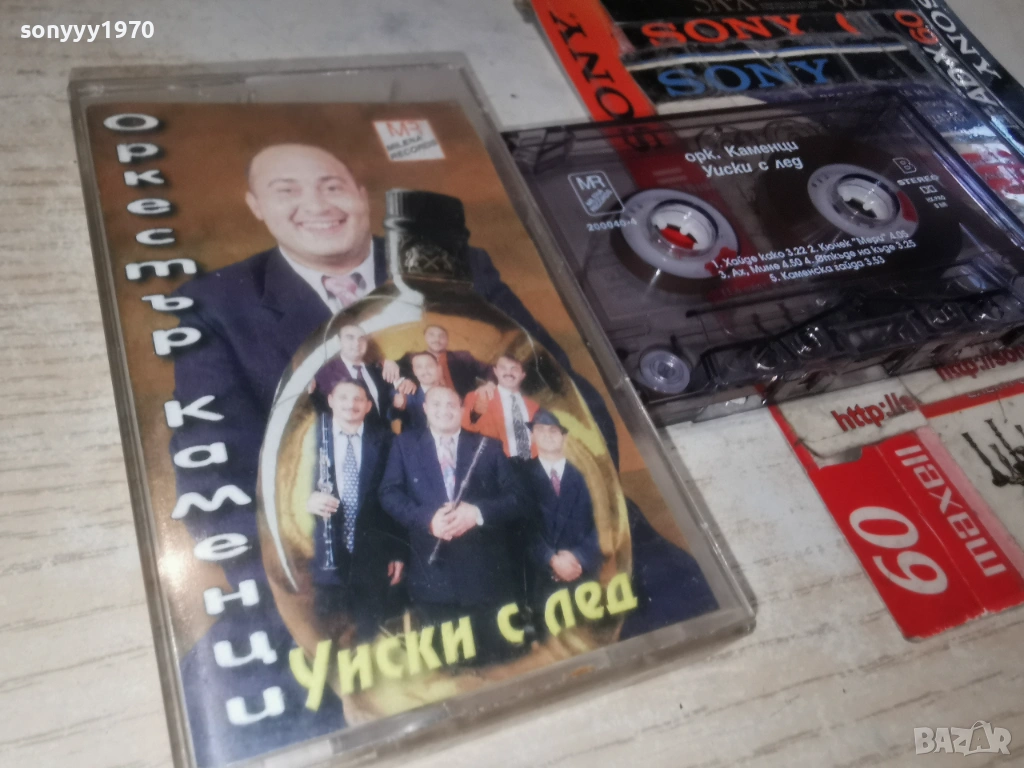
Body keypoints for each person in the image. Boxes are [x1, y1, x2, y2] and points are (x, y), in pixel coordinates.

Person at [379, 387, 526, 662]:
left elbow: (518, 497)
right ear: (424, 408)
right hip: (433, 580)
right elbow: (389, 494)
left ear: (461, 410)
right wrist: (427, 519)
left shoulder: (489, 446)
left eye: (451, 404)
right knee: (447, 667)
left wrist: (477, 512)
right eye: (436, 404)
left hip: (485, 579)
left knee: (498, 662)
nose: (444, 410)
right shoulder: (404, 445)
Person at [305, 376, 406, 640]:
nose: (351, 404)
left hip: (371, 559)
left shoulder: (385, 440)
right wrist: (306, 500)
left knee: (367, 637)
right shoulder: (309, 437)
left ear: (368, 406)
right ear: (330, 401)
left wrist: (397, 552)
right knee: (324, 639)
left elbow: (395, 498)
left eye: (358, 399)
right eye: (343, 398)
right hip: (321, 557)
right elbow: (281, 488)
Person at [522, 411, 601, 610]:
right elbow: (520, 529)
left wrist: (578, 556)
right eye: (540, 429)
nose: (547, 435)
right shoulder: (519, 475)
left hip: (584, 573)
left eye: (554, 430)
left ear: (565, 435)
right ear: (532, 435)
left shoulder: (588, 472)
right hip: (540, 579)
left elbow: (605, 520)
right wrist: (551, 559)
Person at [312, 324, 411, 428]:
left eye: (362, 338)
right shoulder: (325, 374)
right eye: (350, 337)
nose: (357, 343)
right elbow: (323, 413)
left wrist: (398, 406)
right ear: (339, 341)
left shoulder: (377, 370)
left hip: (385, 435)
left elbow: (387, 411)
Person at [462, 355, 540, 460]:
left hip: (532, 462)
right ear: (495, 371)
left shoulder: (534, 407)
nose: (509, 373)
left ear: (522, 375)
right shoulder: (480, 396)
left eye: (514, 369)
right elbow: (467, 426)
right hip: (498, 464)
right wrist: (479, 406)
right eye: (503, 368)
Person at [400, 325, 490, 399]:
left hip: (462, 406)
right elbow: (398, 369)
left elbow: (489, 369)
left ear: (447, 339)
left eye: (442, 335)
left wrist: (490, 383)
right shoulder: (412, 357)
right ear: (425, 337)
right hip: (424, 408)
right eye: (431, 334)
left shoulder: (462, 357)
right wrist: (403, 377)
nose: (437, 339)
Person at [392, 351, 441, 433]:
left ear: (438, 368)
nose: (425, 371)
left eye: (429, 366)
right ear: (414, 371)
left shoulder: (450, 394)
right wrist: (397, 407)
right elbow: (391, 415)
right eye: (419, 367)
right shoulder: (405, 393)